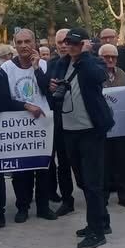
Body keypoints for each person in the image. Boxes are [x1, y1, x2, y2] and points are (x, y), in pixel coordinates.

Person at [50, 28, 114, 248]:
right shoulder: (61, 63)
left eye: (76, 43)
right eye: (68, 42)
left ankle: (97, 232)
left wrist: (84, 56)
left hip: (90, 130)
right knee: (83, 181)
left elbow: (99, 77)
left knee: (93, 182)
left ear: (84, 44)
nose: (70, 46)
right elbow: (52, 82)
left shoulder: (93, 62)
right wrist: (52, 85)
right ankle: (102, 221)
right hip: (69, 129)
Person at [0, 28, 52, 224]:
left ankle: (44, 206)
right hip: (18, 126)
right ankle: (23, 206)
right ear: (14, 44)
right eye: (19, 42)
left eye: (27, 41)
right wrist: (25, 106)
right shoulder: (5, 69)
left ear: (34, 42)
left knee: (44, 168)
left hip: (43, 124)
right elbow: (3, 99)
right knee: (21, 170)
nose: (23, 46)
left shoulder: (44, 64)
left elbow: (47, 90)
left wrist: (36, 68)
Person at [45, 28, 79, 215]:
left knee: (81, 162)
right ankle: (67, 199)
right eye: (60, 43)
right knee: (63, 163)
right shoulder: (50, 65)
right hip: (58, 120)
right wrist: (48, 87)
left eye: (68, 42)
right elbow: (44, 91)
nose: (64, 46)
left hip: (80, 120)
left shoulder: (84, 62)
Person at [99, 43, 125, 207]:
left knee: (122, 162)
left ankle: (124, 195)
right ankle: (103, 196)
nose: (110, 60)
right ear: (100, 57)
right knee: (103, 164)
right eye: (106, 57)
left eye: (113, 57)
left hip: (121, 127)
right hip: (102, 127)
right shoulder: (95, 73)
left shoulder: (122, 74)